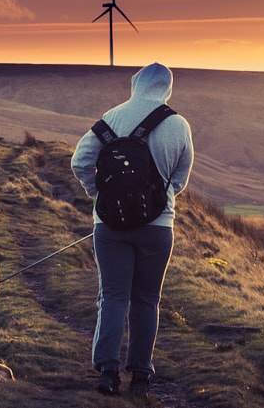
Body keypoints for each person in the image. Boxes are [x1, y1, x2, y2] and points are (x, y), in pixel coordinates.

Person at [71, 62, 194, 397]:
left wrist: (102, 197)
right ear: (166, 88)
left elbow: (79, 162)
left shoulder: (111, 118)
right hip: (157, 227)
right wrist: (156, 200)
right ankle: (141, 374)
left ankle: (108, 371)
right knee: (147, 299)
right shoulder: (178, 124)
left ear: (136, 83)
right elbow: (179, 180)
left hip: (110, 227)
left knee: (112, 296)